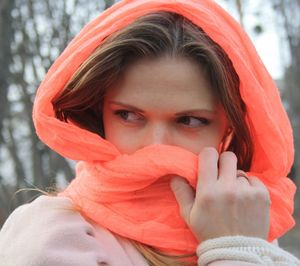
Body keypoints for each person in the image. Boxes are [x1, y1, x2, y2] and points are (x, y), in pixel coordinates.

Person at [0, 0, 299, 265]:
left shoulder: (246, 223)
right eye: (129, 115)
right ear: (99, 113)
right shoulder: (54, 238)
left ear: (229, 127)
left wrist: (240, 244)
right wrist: (235, 253)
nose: (155, 146)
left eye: (190, 120)